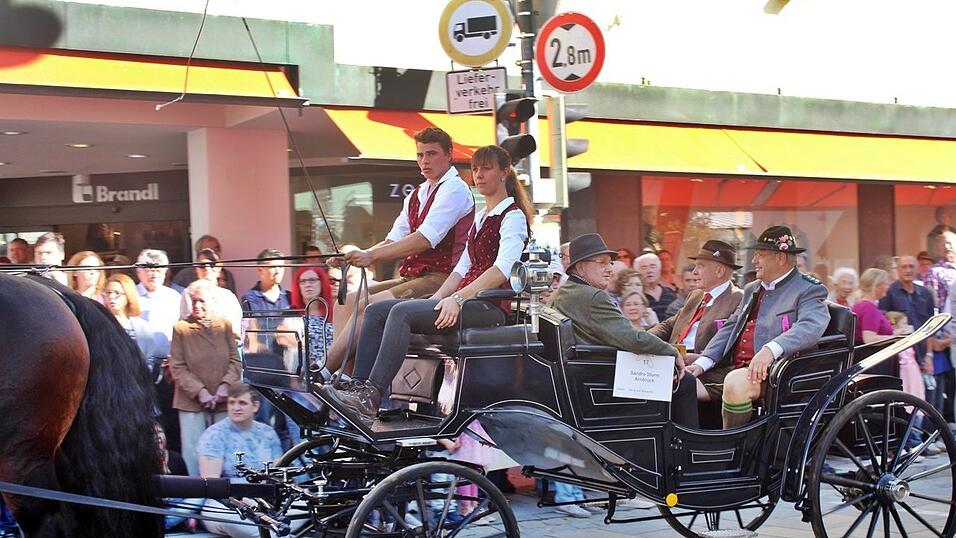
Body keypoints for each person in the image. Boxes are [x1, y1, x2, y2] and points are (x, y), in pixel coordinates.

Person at [327, 145, 529, 419]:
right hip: (463, 300)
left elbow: (502, 269)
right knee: (374, 311)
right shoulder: (482, 217)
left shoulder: (513, 216)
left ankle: (373, 394)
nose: (479, 175)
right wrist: (437, 300)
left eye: (487, 168)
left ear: (504, 173)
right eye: (476, 168)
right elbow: (462, 268)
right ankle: (358, 387)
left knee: (400, 312)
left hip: (489, 307)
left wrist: (458, 299)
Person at [327, 127, 475, 374]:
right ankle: (343, 375)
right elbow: (393, 239)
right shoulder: (416, 194)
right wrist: (355, 258)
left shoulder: (455, 189)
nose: (425, 161)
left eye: (432, 154)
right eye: (420, 155)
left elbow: (425, 239)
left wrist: (370, 255)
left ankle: (328, 367)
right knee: (347, 301)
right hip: (415, 277)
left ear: (449, 155)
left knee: (370, 305)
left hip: (443, 279)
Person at [548, 233, 699, 428]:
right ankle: (685, 444)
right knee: (685, 382)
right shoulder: (593, 297)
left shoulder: (562, 293)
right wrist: (671, 352)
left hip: (583, 377)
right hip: (603, 380)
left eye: (610, 263)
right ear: (581, 267)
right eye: (602, 263)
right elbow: (633, 339)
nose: (610, 269)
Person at [689, 226, 829, 429]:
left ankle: (732, 448)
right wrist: (703, 362)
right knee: (681, 380)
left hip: (778, 373)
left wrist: (770, 350)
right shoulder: (752, 289)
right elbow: (731, 326)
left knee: (735, 383)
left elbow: (810, 326)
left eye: (760, 255)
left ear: (780, 258)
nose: (753, 261)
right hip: (737, 367)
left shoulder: (809, 289)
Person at [650, 240, 744, 402]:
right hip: (676, 361)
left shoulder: (739, 298)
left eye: (700, 266)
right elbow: (669, 325)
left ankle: (677, 428)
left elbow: (734, 346)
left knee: (676, 382)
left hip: (711, 372)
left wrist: (700, 358)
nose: (694, 272)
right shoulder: (696, 295)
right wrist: (641, 340)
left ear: (720, 270)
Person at [170, 280, 243, 476]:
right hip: (191, 402)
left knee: (225, 447)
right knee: (194, 452)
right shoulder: (181, 328)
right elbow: (177, 366)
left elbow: (236, 361)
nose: (197, 305)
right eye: (194, 301)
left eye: (202, 301)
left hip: (222, 399)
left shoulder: (225, 325)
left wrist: (224, 387)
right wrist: (199, 391)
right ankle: (195, 495)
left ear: (213, 302)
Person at [197, 384, 282, 538]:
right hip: (224, 505)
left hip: (266, 502)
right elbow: (211, 486)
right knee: (263, 531)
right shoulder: (214, 435)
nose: (236, 408)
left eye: (242, 403)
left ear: (255, 406)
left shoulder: (268, 433)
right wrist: (249, 502)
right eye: (231, 402)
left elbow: (278, 475)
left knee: (310, 511)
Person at [879, 255, 935, 374]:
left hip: (923, 353)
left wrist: (929, 356)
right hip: (902, 355)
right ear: (898, 270)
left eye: (911, 266)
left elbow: (930, 327)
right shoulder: (888, 292)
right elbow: (883, 322)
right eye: (904, 267)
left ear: (917, 269)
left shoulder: (926, 294)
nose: (908, 270)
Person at [179, 248, 243, 339]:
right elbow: (186, 326)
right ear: (196, 269)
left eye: (212, 264)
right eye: (202, 265)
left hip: (223, 347)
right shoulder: (188, 294)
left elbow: (235, 329)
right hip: (196, 346)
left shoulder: (228, 297)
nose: (207, 268)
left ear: (219, 268)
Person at [102, 273, 158, 363]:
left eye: (117, 293)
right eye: (108, 293)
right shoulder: (100, 325)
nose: (111, 297)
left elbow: (149, 357)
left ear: (128, 295)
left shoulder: (142, 326)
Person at [172, 234, 238, 294]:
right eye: (208, 251)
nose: (213, 253)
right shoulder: (184, 275)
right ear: (199, 253)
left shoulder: (228, 275)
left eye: (216, 249)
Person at [634, 252, 677, 320]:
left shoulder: (670, 294)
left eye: (652, 266)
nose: (649, 271)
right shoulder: (636, 297)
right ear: (637, 273)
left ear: (659, 270)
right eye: (644, 268)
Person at [925, 230, 956, 309]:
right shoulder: (934, 272)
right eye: (943, 244)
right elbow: (930, 302)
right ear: (938, 249)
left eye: (949, 243)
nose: (947, 247)